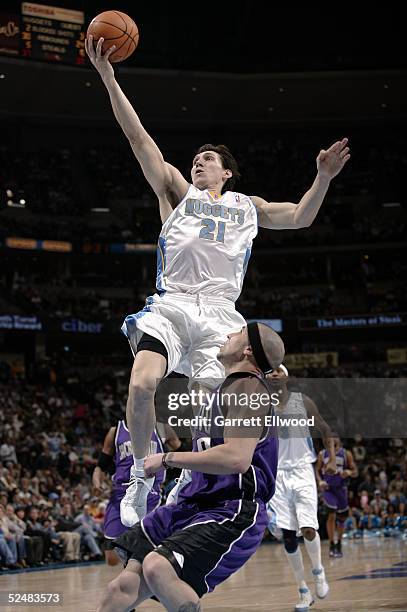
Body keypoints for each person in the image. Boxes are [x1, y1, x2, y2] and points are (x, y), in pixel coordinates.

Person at [85, 35, 351, 527]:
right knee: (143, 384)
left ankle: (202, 481)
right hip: (173, 304)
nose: (198, 161)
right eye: (196, 157)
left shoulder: (247, 208)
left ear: (227, 172)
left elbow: (299, 218)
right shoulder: (175, 191)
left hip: (221, 316)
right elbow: (137, 137)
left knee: (220, 407)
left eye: (208, 158)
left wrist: (323, 179)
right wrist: (108, 76)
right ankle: (145, 476)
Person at [96, 322, 284, 611]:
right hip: (193, 503)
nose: (228, 335)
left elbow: (236, 458)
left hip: (232, 509)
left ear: (247, 350)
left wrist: (167, 459)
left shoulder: (249, 387)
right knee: (121, 587)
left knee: (158, 567)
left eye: (236, 334)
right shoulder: (222, 391)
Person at [266, 365, 336, 612]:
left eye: (278, 370)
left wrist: (333, 459)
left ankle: (318, 572)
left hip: (303, 469)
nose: (274, 374)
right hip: (277, 474)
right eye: (269, 371)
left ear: (286, 375)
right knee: (287, 535)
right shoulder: (260, 406)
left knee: (307, 529)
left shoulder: (302, 401)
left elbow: (326, 430)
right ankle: (303, 590)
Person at [92, 419, 180, 565]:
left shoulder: (161, 427)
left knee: (144, 543)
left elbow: (179, 450)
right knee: (112, 558)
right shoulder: (115, 431)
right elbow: (100, 466)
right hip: (121, 493)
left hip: (150, 491)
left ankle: (152, 574)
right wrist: (97, 482)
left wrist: (166, 464)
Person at [316, 435, 358, 557]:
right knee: (331, 514)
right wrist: (320, 481)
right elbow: (317, 470)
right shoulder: (322, 454)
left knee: (341, 518)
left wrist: (349, 472)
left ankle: (339, 543)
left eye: (335, 437)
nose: (332, 439)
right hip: (328, 489)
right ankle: (331, 544)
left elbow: (355, 471)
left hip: (341, 489)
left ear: (339, 439)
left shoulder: (346, 454)